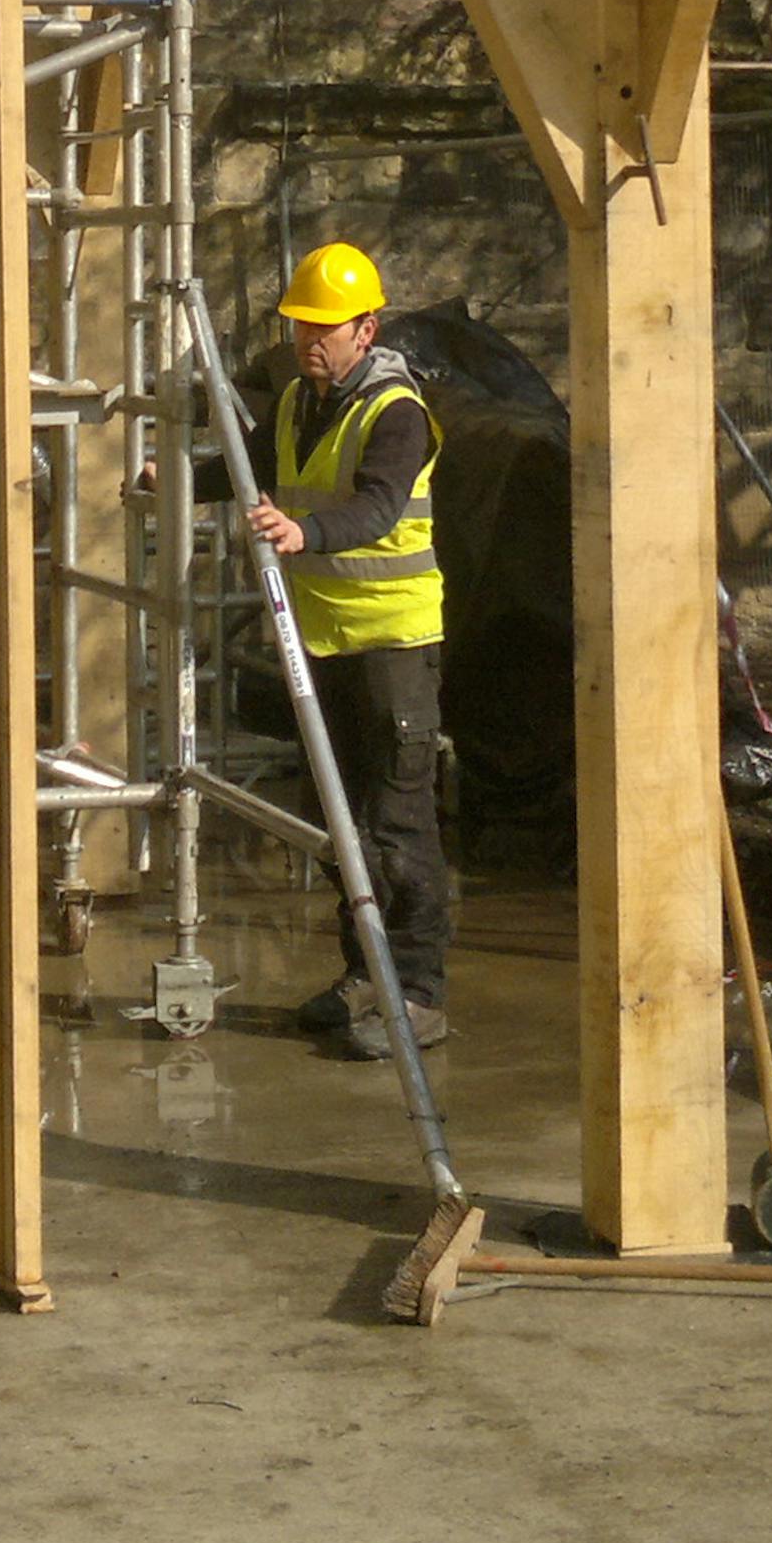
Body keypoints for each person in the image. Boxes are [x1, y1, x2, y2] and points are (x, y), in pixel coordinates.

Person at [246, 241, 451, 1055]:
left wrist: (303, 533)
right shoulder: (301, 399)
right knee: (339, 820)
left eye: (325, 328)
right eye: (301, 326)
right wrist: (170, 478)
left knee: (400, 824)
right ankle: (366, 975)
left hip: (392, 642)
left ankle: (423, 993)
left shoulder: (396, 413)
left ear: (367, 329)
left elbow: (374, 510)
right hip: (324, 638)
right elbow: (252, 464)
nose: (309, 341)